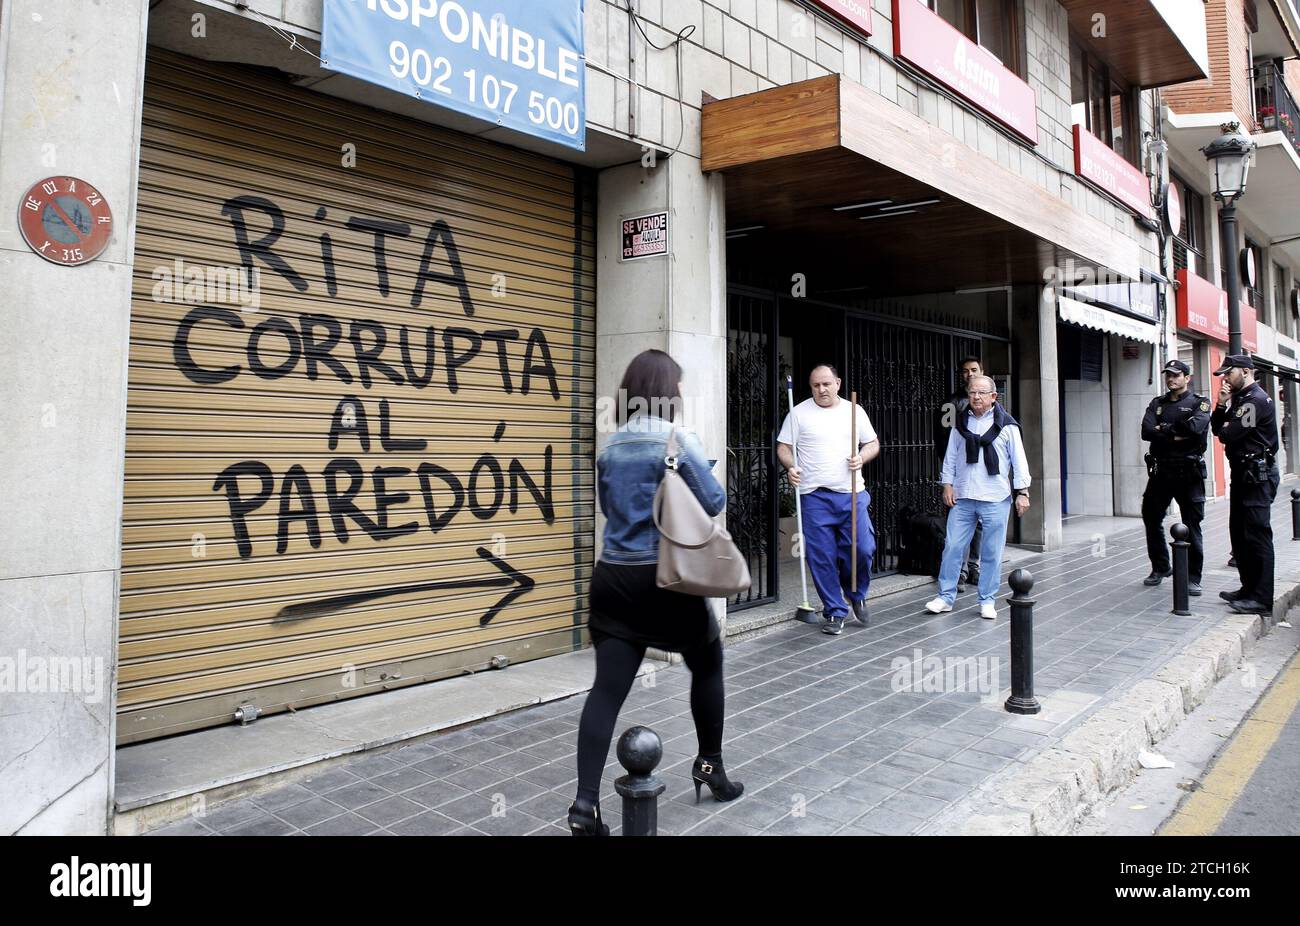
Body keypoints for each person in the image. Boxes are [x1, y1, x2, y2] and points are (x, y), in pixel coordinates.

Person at [568, 349, 742, 836]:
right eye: (679, 387)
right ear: (667, 391)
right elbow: (712, 501)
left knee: (606, 691)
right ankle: (710, 768)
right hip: (665, 580)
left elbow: (609, 506)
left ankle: (585, 806)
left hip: (613, 580)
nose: (683, 395)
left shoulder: (611, 445)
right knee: (707, 664)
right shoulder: (675, 439)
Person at [776, 363, 880, 635]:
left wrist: (862, 457)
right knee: (821, 556)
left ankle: (856, 593)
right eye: (815, 385)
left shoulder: (854, 411)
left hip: (852, 493)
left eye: (826, 384)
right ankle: (835, 610)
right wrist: (790, 466)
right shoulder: (798, 413)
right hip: (814, 496)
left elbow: (873, 443)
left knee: (862, 548)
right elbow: (784, 447)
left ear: (838, 383)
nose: (821, 390)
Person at [924, 375, 1031, 619]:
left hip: (995, 497)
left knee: (992, 552)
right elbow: (951, 456)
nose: (976, 397)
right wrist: (947, 485)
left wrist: (1022, 492)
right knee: (952, 547)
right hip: (963, 497)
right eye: (972, 393)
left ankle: (987, 599)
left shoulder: (1007, 426)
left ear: (994, 397)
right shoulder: (960, 423)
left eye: (982, 393)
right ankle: (945, 596)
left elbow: (1019, 461)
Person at [1211, 354, 1280, 616]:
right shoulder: (1240, 399)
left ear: (1246, 371)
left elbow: (1228, 433)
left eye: (1229, 373)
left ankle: (1262, 600)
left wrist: (1227, 423)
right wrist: (1220, 405)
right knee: (1240, 535)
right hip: (1243, 475)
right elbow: (1219, 430)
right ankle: (1248, 589)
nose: (1225, 379)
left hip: (1257, 477)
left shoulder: (1255, 400)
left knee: (1257, 535)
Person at [1140, 360, 1211, 594]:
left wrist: (1164, 430)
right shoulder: (1157, 404)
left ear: (1187, 377)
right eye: (1168, 375)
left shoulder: (1199, 403)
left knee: (1191, 525)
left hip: (1188, 472)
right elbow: (1146, 431)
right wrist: (1175, 433)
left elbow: (1195, 431)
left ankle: (1192, 577)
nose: (1171, 379)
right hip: (1162, 471)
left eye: (1176, 375)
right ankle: (1161, 567)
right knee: (1151, 517)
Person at [936, 356, 985, 589]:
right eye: (965, 371)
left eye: (974, 370)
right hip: (959, 473)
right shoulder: (952, 403)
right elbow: (944, 441)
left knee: (980, 522)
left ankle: (975, 566)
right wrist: (950, 476)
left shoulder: (991, 401)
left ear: (982, 371)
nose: (970, 374)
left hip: (984, 472)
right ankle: (961, 571)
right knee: (960, 521)